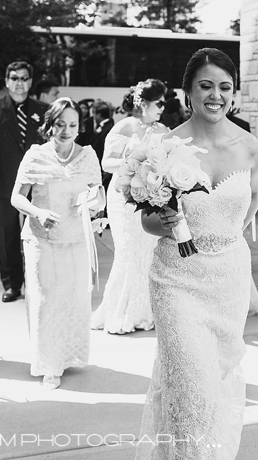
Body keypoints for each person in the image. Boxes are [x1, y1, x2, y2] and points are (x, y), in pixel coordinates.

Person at [136, 48, 258, 459]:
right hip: (177, 280)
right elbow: (147, 222)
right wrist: (170, 220)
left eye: (224, 87)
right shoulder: (163, 147)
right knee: (190, 387)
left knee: (216, 384)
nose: (216, 95)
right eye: (206, 86)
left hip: (227, 280)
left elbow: (248, 214)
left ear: (234, 93)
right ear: (187, 92)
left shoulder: (252, 149)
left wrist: (220, 243)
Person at [10, 98, 103, 389]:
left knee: (74, 300)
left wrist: (92, 205)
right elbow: (16, 197)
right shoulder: (35, 156)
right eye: (60, 123)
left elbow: (97, 197)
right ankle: (50, 365)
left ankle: (68, 356)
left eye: (73, 124)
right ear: (49, 125)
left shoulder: (88, 156)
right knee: (46, 300)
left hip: (76, 240)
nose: (66, 130)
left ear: (79, 127)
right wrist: (37, 211)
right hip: (41, 239)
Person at [90, 80, 168, 335]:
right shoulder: (123, 126)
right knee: (127, 252)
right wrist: (131, 160)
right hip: (122, 198)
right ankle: (119, 311)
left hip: (148, 197)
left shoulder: (163, 129)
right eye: (159, 103)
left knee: (147, 252)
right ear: (143, 104)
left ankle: (145, 311)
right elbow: (106, 163)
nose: (163, 107)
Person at [0, 60, 49, 302]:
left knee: (41, 232)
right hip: (4, 182)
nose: (20, 83)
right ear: (7, 81)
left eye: (24, 78)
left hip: (39, 182)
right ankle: (12, 285)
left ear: (30, 81)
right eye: (15, 78)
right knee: (8, 237)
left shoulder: (43, 109)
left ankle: (39, 281)